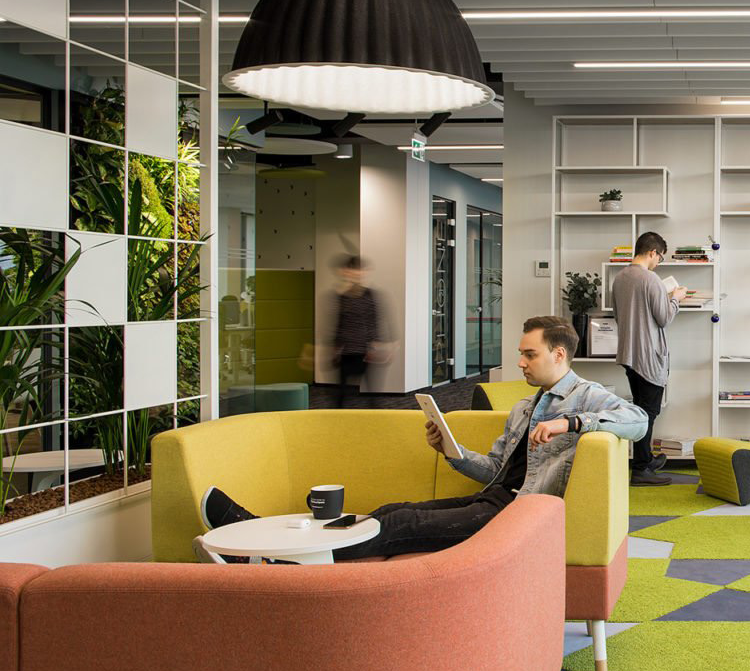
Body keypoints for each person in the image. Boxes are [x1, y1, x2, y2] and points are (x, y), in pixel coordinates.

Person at [199, 316, 649, 560]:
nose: (521, 363)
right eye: (520, 354)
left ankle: (270, 561)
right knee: (390, 510)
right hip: (494, 499)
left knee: (402, 526)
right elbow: (495, 470)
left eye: (529, 355)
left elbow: (637, 420)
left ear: (559, 354)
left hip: (520, 516)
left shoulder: (587, 396)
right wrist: (452, 452)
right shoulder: (523, 407)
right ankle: (268, 544)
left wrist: (571, 424)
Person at [611, 231, 687, 486]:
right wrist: (675, 299)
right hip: (648, 355)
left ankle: (645, 459)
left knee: (641, 407)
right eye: (660, 257)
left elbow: (619, 316)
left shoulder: (620, 278)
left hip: (629, 353)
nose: (658, 263)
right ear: (652, 252)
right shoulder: (650, 279)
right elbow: (664, 318)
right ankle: (641, 469)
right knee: (648, 412)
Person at [331, 255, 386, 408]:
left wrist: (374, 345)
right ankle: (337, 418)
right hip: (346, 350)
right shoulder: (342, 296)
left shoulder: (370, 295)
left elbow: (373, 321)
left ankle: (375, 419)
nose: (356, 273)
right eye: (352, 270)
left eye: (359, 270)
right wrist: (335, 347)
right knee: (341, 394)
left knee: (372, 395)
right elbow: (339, 323)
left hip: (365, 350)